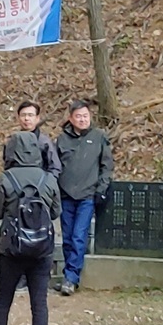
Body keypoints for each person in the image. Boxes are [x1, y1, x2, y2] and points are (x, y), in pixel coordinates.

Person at [0, 133, 61, 325]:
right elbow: (56, 211)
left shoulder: (6, 179)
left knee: (3, 301)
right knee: (39, 304)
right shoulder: (48, 179)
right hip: (41, 248)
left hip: (12, 247)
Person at [54, 101, 113, 296]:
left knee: (80, 236)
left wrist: (101, 188)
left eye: (85, 116)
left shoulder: (99, 137)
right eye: (78, 116)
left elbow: (107, 166)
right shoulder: (62, 140)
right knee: (68, 238)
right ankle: (68, 274)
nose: (82, 119)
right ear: (71, 118)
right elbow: (55, 166)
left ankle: (71, 278)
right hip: (65, 195)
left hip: (87, 195)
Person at [6, 101, 62, 178]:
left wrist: (47, 184)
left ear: (37, 118)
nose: (26, 118)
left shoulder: (44, 142)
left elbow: (55, 167)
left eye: (30, 115)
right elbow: (7, 166)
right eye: (23, 115)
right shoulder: (13, 141)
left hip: (39, 185)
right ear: (18, 118)